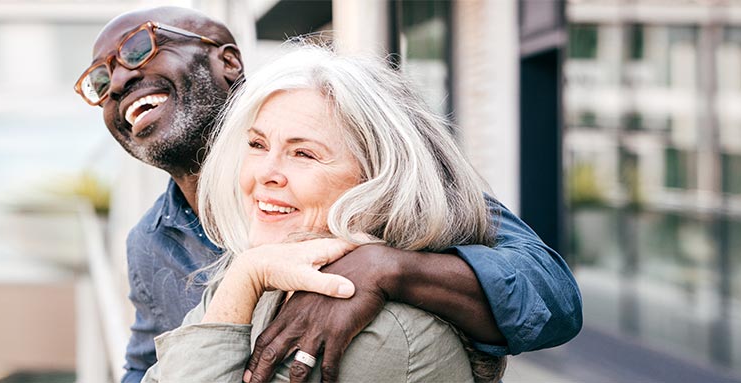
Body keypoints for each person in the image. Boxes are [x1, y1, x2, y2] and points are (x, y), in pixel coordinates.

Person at [73, 7, 580, 383]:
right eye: (100, 81)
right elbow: (148, 369)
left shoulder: (394, 186)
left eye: (138, 49)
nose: (117, 81)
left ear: (228, 62)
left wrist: (385, 269)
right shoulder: (151, 241)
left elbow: (553, 298)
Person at [147, 45, 499, 382]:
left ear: (376, 176)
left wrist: (244, 279)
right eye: (257, 145)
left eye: (303, 154)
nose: (265, 173)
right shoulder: (255, 273)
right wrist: (245, 277)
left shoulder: (386, 334)